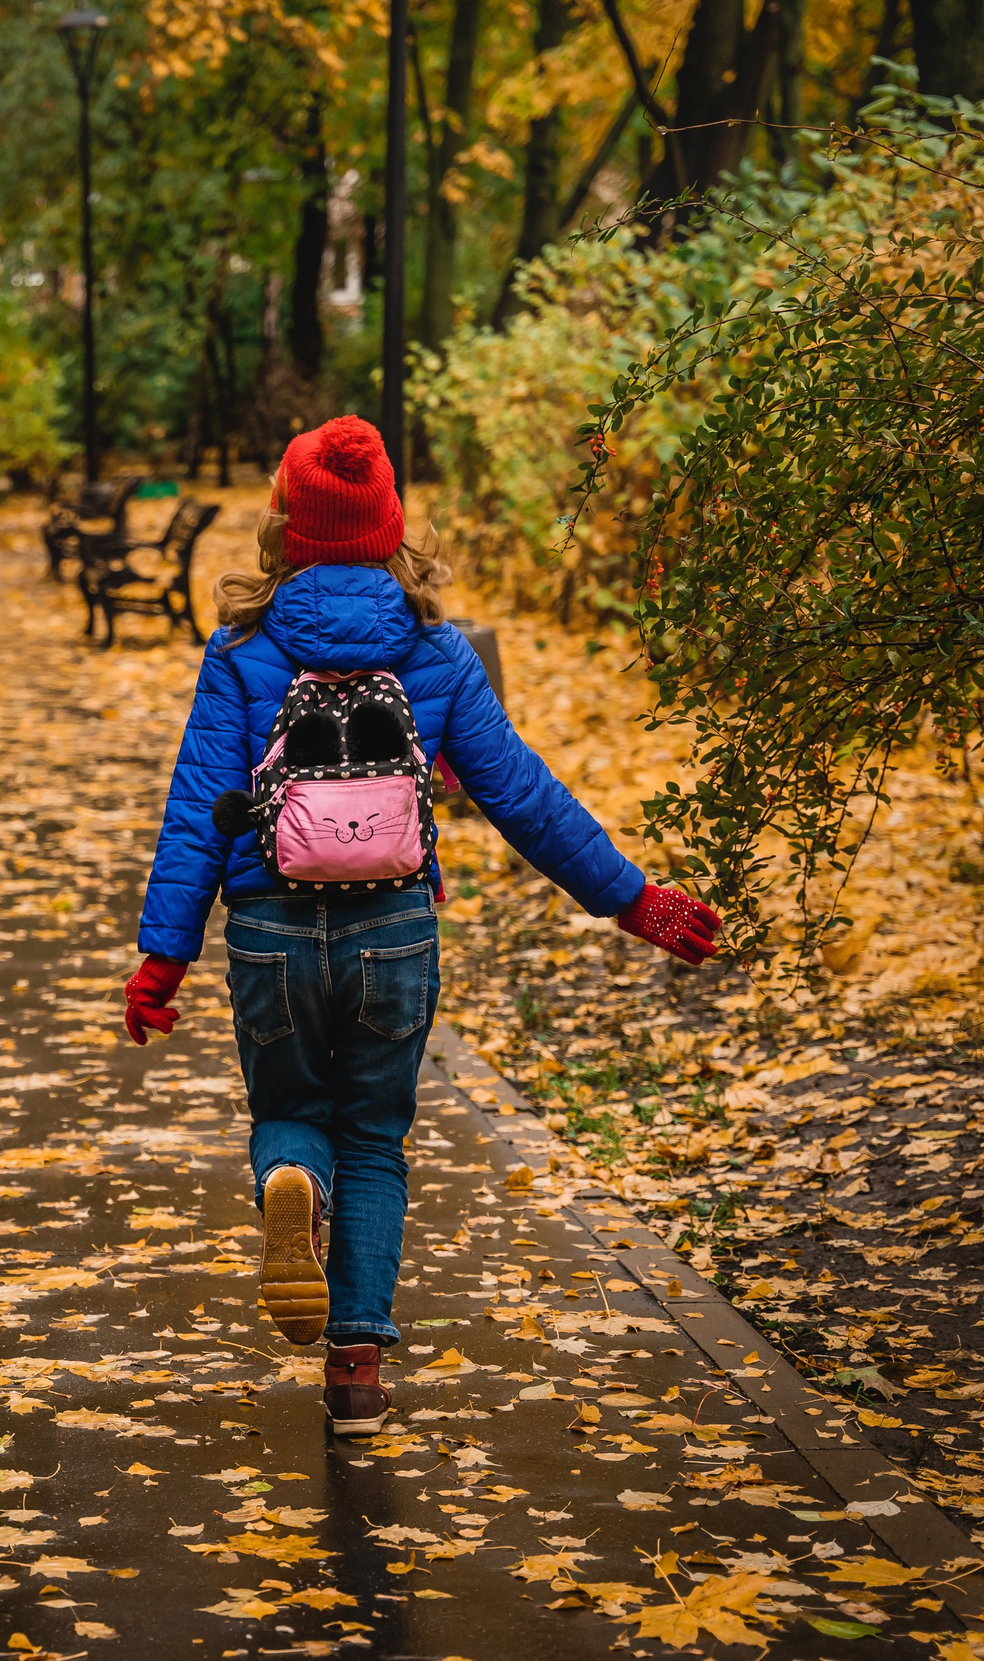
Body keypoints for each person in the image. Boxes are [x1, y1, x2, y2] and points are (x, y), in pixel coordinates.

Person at [121, 415, 721, 1437]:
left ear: (285, 527)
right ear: (390, 526)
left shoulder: (241, 651)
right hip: (391, 928)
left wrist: (162, 958)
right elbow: (521, 795)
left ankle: (292, 1180)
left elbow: (195, 812)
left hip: (269, 928)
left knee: (290, 1109)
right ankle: (356, 1372)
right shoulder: (436, 653)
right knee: (376, 1136)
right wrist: (630, 898)